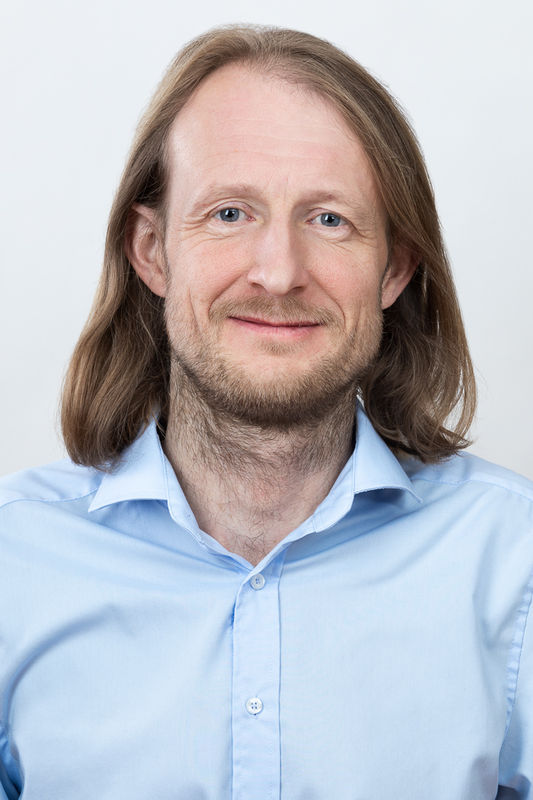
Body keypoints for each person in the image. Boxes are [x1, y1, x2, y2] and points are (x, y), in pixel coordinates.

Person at [0, 24, 531, 800]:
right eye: (229, 213)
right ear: (151, 250)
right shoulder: (13, 561)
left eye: (328, 219)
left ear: (393, 268)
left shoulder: (515, 561)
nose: (278, 274)